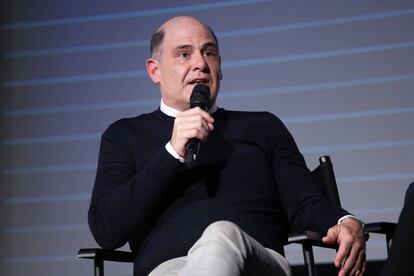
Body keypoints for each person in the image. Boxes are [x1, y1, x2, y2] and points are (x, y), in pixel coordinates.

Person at [88, 16, 366, 276]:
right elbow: (107, 229)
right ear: (155, 70)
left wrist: (346, 222)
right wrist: (171, 152)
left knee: (221, 235)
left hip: (255, 263)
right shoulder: (124, 135)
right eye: (184, 54)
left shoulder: (262, 127)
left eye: (208, 53)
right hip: (169, 270)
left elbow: (305, 201)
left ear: (220, 67)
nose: (200, 63)